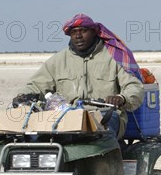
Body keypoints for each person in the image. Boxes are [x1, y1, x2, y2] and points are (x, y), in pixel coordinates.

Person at [14, 13, 144, 139]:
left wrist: (121, 98)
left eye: (83, 31)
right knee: (35, 137)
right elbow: (36, 85)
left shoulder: (114, 57)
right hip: (65, 115)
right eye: (73, 32)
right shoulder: (58, 60)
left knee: (94, 135)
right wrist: (22, 96)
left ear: (94, 32)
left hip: (105, 115)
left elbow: (134, 86)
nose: (78, 36)